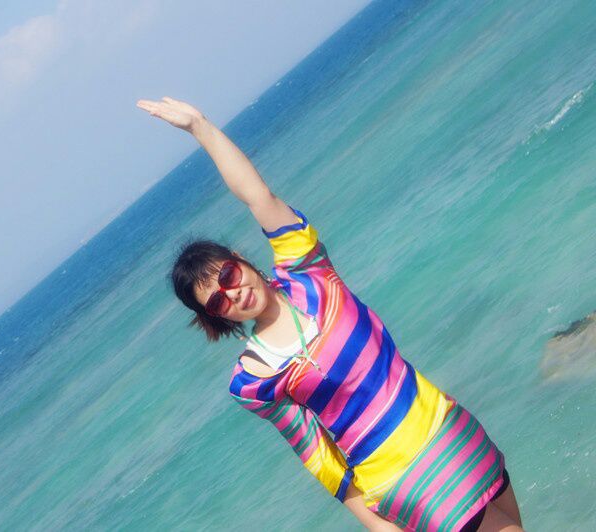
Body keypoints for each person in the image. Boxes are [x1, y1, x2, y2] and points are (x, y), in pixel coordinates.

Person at [136, 97, 524, 532]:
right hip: (404, 478)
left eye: (228, 275)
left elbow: (259, 197)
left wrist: (200, 127)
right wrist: (377, 525)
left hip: (451, 427)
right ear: (216, 318)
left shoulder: (309, 272)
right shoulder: (253, 380)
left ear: (241, 259)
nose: (234, 293)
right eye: (218, 301)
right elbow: (318, 455)